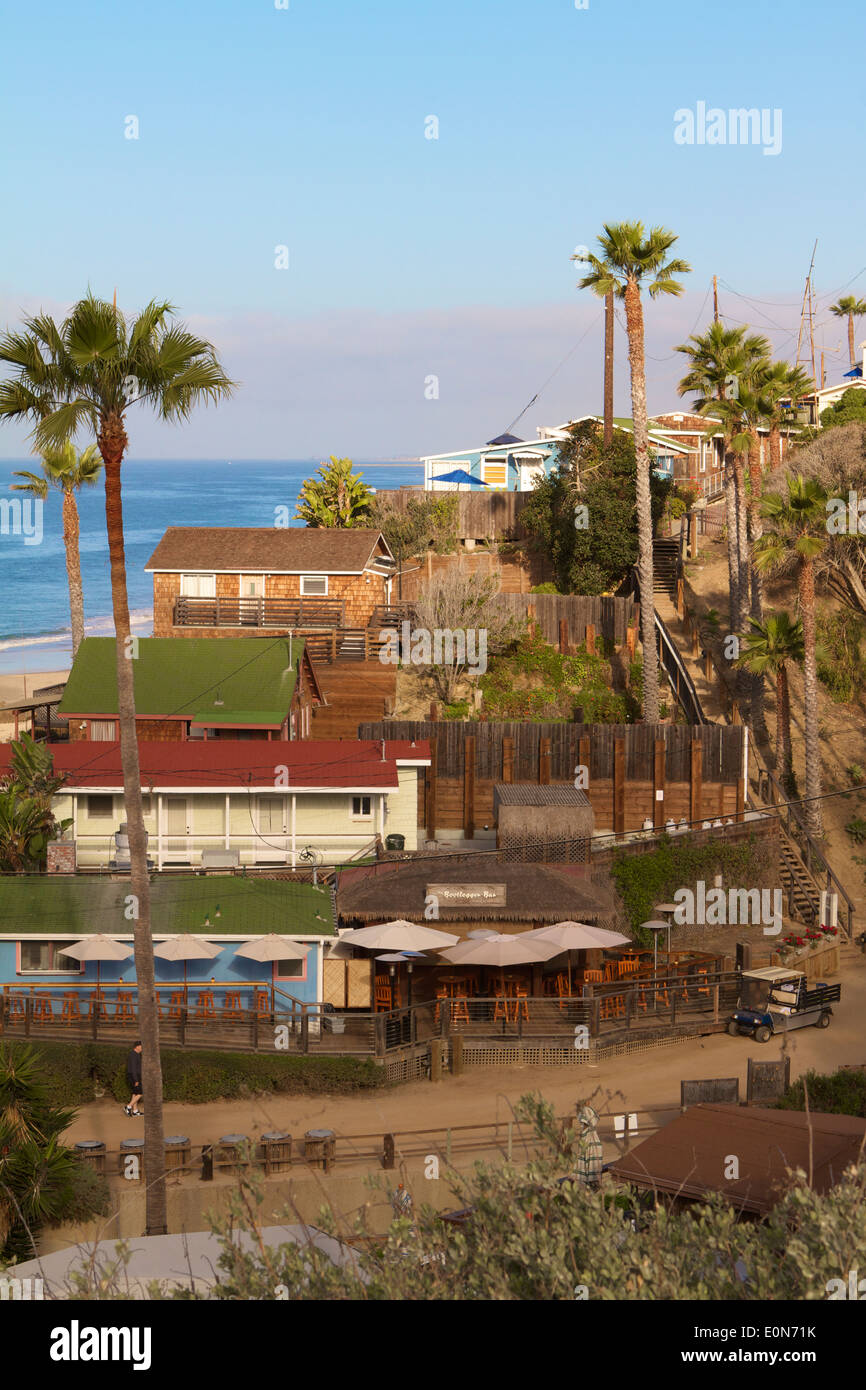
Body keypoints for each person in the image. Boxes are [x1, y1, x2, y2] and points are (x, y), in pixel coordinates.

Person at [124, 1041, 143, 1117]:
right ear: (137, 1046)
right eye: (141, 1046)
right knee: (140, 1092)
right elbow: (133, 1068)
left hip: (135, 1075)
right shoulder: (133, 1055)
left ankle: (135, 1111)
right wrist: (136, 1080)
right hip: (133, 1076)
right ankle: (128, 1107)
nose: (142, 1048)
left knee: (135, 1092)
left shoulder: (137, 1054)